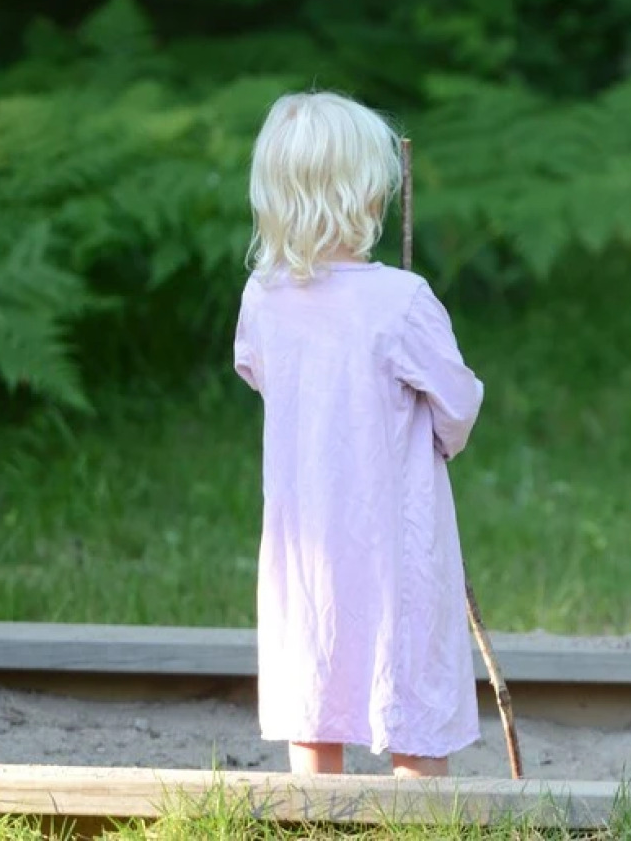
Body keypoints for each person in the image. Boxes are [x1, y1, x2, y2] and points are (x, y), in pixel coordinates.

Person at [233, 91, 485, 777]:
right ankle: (421, 815)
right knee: (411, 677)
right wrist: (439, 439)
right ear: (367, 193)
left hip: (306, 538)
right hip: (395, 534)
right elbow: (458, 403)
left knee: (314, 667)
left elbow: (259, 374)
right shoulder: (401, 301)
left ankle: (314, 815)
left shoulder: (263, 298)